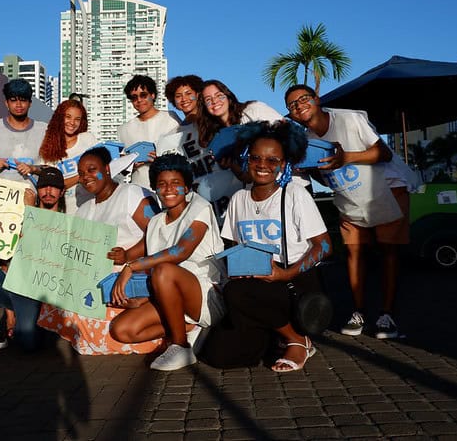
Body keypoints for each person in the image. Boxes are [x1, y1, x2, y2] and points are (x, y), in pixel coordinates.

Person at [202, 121, 332, 371]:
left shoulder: (293, 194)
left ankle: (297, 339)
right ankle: (273, 336)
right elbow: (233, 244)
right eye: (256, 158)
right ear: (246, 159)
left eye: (273, 160)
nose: (263, 165)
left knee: (237, 292)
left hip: (293, 281)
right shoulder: (239, 198)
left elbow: (325, 246)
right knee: (218, 356)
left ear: (283, 164)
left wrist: (286, 273)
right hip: (254, 287)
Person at [285, 84, 413, 339]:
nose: (299, 106)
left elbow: (384, 153)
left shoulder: (349, 118)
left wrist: (347, 158)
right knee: (354, 252)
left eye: (303, 99)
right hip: (350, 197)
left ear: (317, 100)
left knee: (388, 251)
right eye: (292, 105)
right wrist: (309, 170)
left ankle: (387, 315)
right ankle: (359, 312)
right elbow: (327, 177)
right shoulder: (307, 142)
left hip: (387, 188)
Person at [37, 146, 162, 355]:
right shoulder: (85, 209)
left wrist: (128, 255)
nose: (86, 177)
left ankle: (154, 318)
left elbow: (159, 233)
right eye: (82, 173)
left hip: (133, 275)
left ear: (106, 169)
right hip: (99, 280)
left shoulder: (130, 193)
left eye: (92, 169)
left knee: (90, 316)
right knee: (54, 300)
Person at [109, 154, 226, 371]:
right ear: (154, 187)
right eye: (162, 184)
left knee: (163, 270)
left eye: (176, 184)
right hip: (170, 296)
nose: (169, 189)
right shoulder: (155, 222)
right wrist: (142, 297)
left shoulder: (200, 207)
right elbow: (141, 254)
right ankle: (189, 327)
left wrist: (131, 266)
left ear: (187, 186)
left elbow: (180, 252)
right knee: (122, 329)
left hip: (206, 295)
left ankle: (180, 346)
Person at [0, 167, 66, 355]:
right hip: (11, 286)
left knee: (26, 344)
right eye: (44, 187)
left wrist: (30, 210)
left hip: (36, 295)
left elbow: (41, 250)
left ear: (62, 192)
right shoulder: (16, 215)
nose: (48, 192)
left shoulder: (67, 223)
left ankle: (38, 326)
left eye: (54, 187)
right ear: (37, 190)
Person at [17, 99, 98, 214]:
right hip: (65, 212)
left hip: (91, 208)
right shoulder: (49, 148)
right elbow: (55, 184)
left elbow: (100, 172)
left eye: (77, 119)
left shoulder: (88, 139)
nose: (72, 122)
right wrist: (81, 177)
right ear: (60, 118)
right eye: (68, 117)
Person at [117, 75, 180, 187]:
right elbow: (121, 171)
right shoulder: (124, 129)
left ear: (152, 95)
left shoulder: (170, 118)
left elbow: (183, 151)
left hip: (170, 186)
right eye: (134, 97)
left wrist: (162, 157)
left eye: (143, 95)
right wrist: (130, 165)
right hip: (139, 190)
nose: (139, 100)